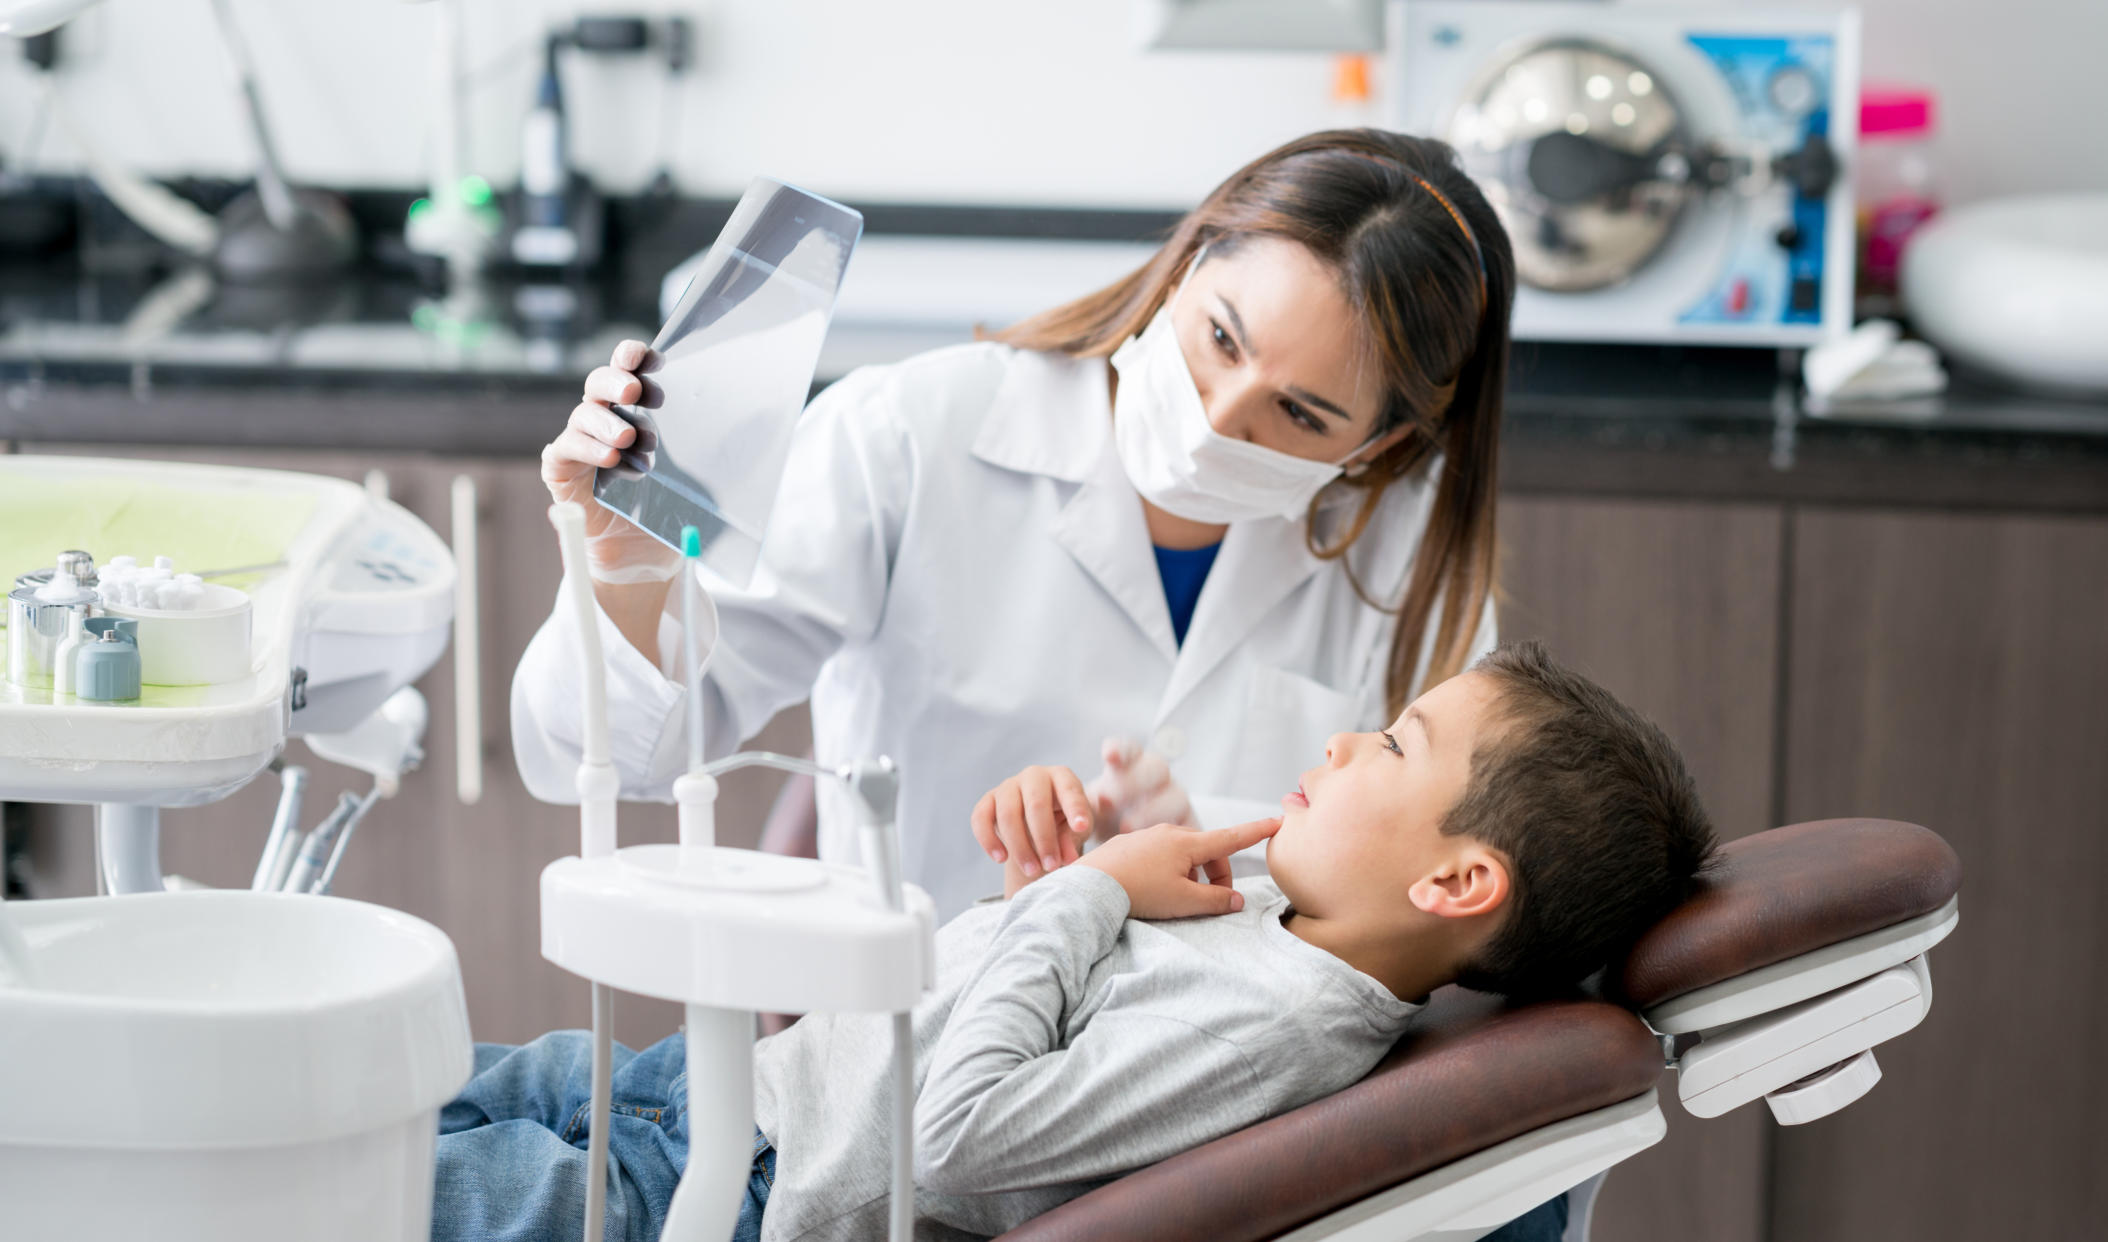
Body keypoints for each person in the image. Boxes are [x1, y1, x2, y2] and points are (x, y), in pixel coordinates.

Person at [512, 128, 1513, 924]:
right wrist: (629, 573)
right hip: (925, 1059)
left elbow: (1427, 901)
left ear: (1378, 447)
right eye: (1219, 337)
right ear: (1187, 261)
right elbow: (607, 760)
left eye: (1298, 415)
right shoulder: (909, 431)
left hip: (1226, 1078)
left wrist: (1215, 854)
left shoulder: (1407, 564)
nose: (1218, 418)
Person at [437, 641, 1717, 1242]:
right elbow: (1030, 1013)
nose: (1340, 743)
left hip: (722, 1197)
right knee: (345, 1088)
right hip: (710, 1093)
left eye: (1390, 746)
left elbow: (953, 1137)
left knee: (290, 1187)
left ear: (1453, 881)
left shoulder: (1276, 1025)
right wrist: (1048, 883)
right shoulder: (1277, 917)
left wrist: (1085, 895)